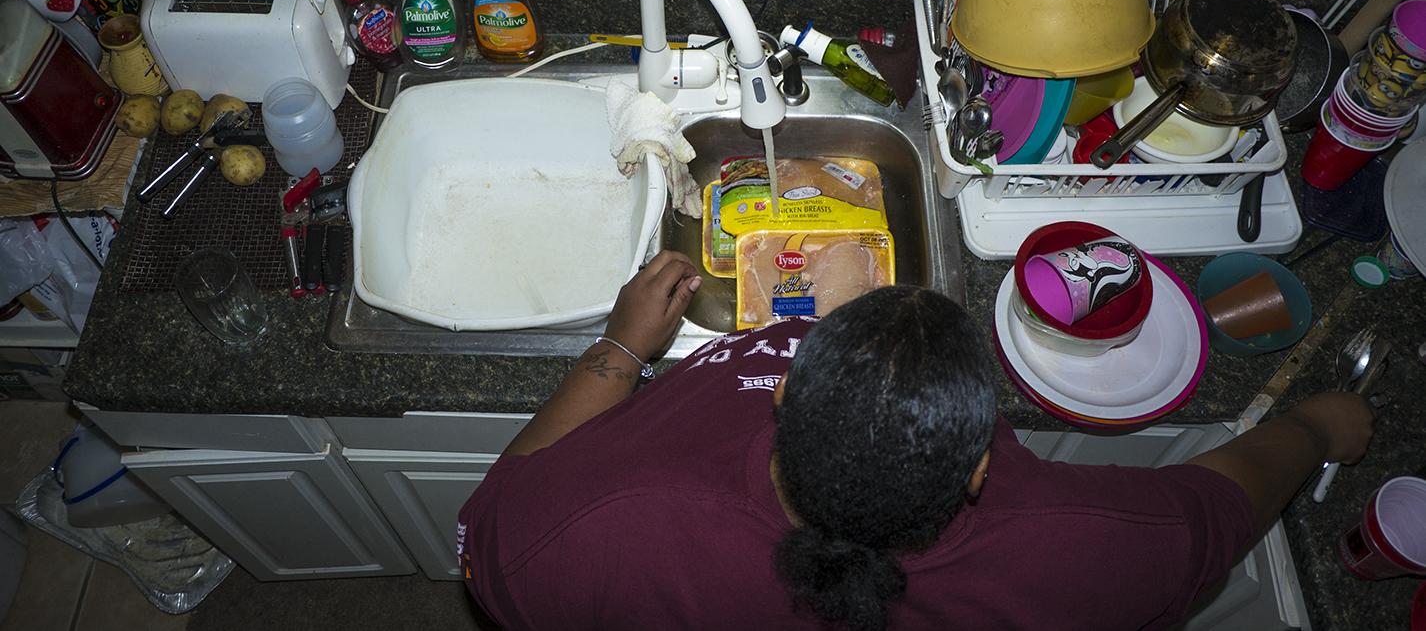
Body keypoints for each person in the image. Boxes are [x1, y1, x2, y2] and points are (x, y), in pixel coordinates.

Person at [459, 251, 1376, 631]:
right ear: (978, 464)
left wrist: (621, 349)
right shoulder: (1088, 543)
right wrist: (1316, 424)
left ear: (780, 396)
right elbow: (1222, 504)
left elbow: (487, 545)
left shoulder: (608, 521)